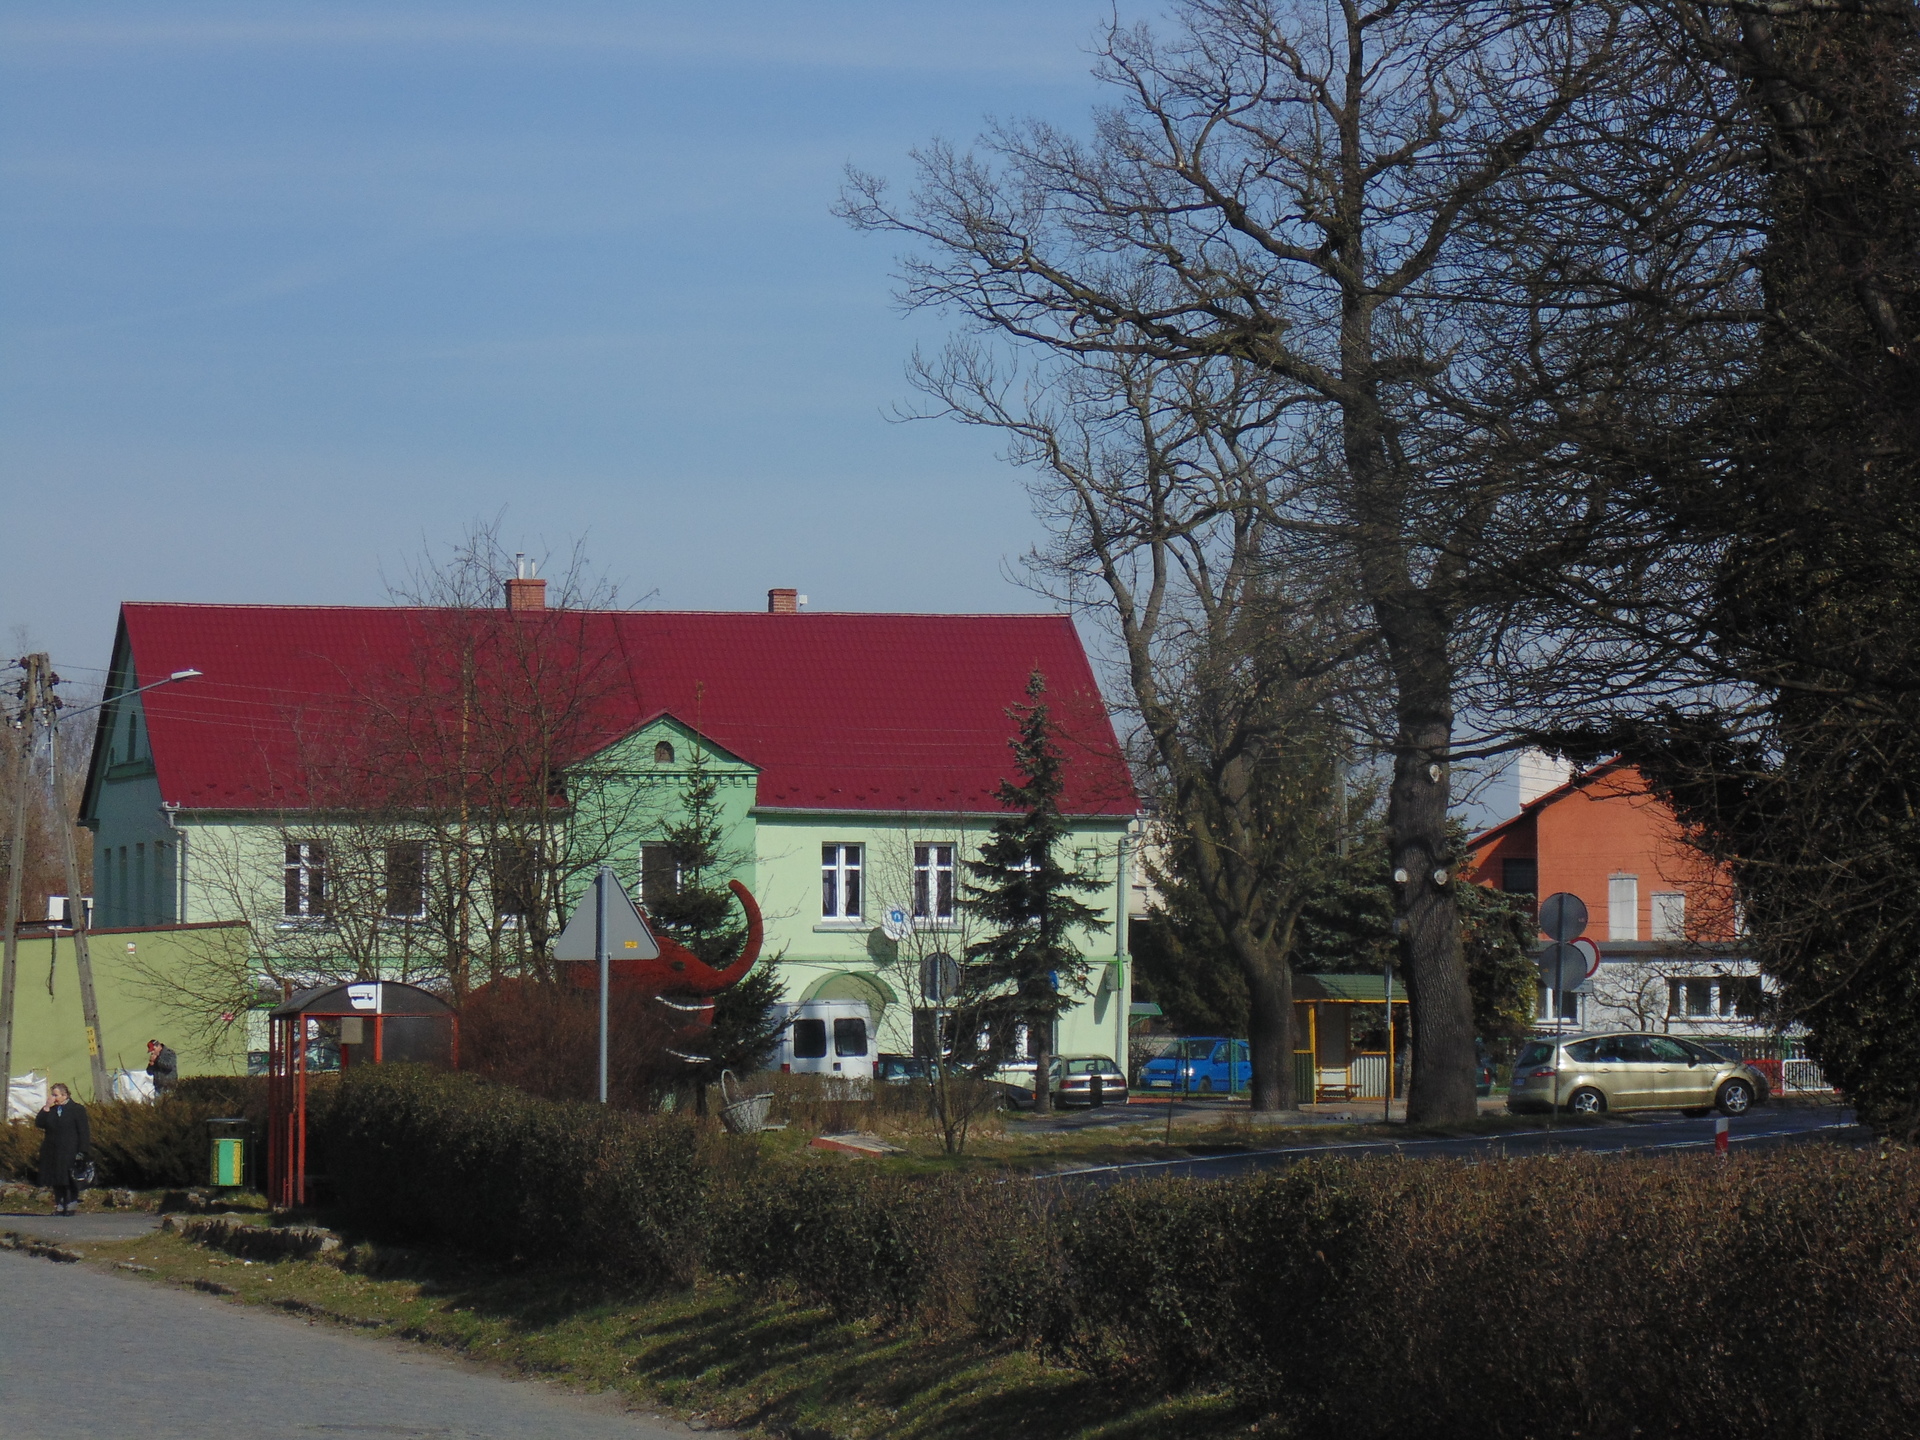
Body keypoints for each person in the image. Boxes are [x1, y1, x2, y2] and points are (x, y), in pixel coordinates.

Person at [35, 1084, 91, 1217]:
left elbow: (83, 1131)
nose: (53, 1097)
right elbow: (39, 1123)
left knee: (69, 1178)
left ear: (65, 1095)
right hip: (53, 1150)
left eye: (56, 1095)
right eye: (52, 1095)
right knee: (56, 1178)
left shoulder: (77, 1109)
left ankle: (70, 1204)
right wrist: (47, 1107)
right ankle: (60, 1204)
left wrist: (83, 1151)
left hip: (69, 1149)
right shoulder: (53, 1110)